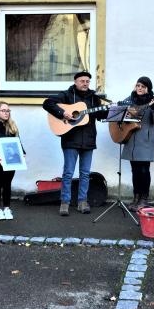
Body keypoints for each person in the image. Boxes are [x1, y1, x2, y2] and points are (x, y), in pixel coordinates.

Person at [43, 71, 108, 216]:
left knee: (85, 173)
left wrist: (110, 110)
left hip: (89, 140)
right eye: (82, 81)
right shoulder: (66, 95)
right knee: (68, 173)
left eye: (87, 81)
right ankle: (65, 202)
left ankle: (82, 202)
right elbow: (47, 103)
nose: (85, 83)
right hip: (70, 140)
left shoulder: (94, 99)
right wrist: (62, 113)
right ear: (75, 81)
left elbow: (100, 115)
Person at [121, 76, 154, 211]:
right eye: (138, 85)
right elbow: (120, 115)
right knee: (135, 171)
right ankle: (136, 197)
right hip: (131, 139)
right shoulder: (129, 100)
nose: (139, 88)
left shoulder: (153, 101)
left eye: (143, 87)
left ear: (148, 89)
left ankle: (144, 199)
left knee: (144, 170)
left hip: (146, 141)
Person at [0, 101, 25, 220]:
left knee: (7, 185)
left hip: (11, 161)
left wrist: (21, 153)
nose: (6, 113)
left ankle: (7, 208)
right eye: (3, 111)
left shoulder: (11, 125)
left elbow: (17, 142)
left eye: (8, 111)